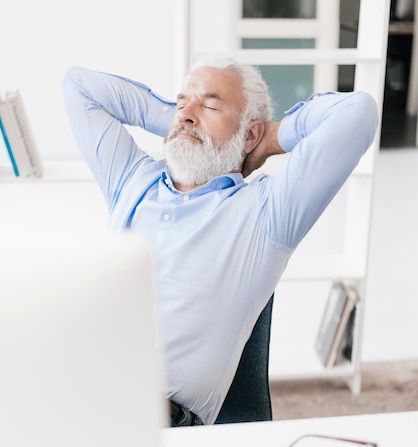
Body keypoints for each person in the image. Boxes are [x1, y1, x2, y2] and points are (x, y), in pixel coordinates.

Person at [62, 57, 378, 426]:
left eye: (211, 105)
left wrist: (271, 138)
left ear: (250, 134)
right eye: (182, 102)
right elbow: (78, 85)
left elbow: (357, 113)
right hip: (80, 392)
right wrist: (182, 121)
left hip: (155, 422)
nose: (188, 113)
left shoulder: (267, 211)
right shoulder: (132, 180)